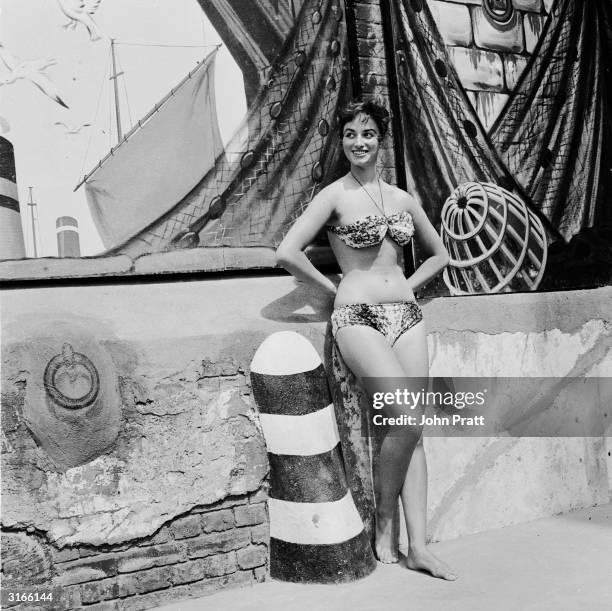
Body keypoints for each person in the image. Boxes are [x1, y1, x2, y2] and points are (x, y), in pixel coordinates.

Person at [275, 100, 456, 580]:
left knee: (413, 430)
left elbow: (440, 256)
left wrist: (407, 289)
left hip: (407, 317)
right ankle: (385, 521)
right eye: (351, 134)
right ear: (342, 141)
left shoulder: (401, 198)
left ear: (381, 139)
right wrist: (335, 289)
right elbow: (288, 252)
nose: (359, 142)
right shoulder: (333, 196)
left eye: (368, 134)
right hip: (356, 317)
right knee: (408, 415)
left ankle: (419, 546)